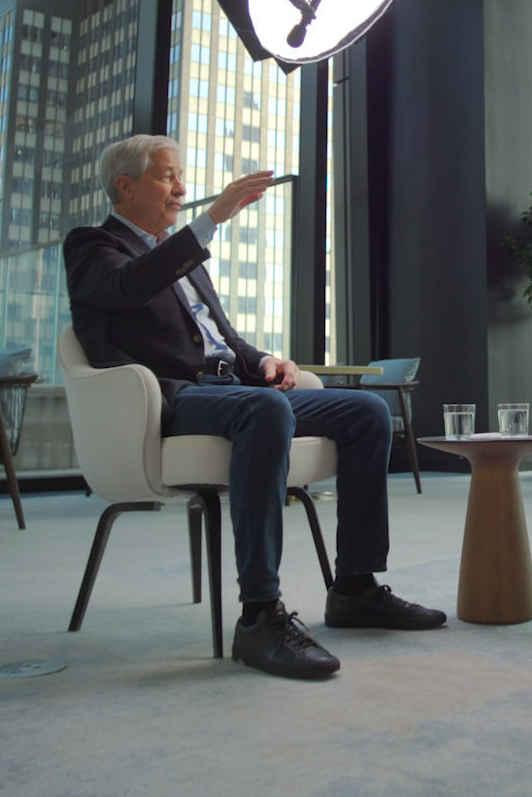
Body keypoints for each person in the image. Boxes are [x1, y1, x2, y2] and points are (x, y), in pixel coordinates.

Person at [63, 134, 444, 680]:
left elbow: (221, 339)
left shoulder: (184, 260)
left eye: (179, 178)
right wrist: (212, 218)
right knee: (264, 412)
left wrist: (267, 361)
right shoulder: (92, 246)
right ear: (125, 185)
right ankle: (259, 615)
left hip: (228, 390)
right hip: (169, 403)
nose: (182, 188)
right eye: (168, 177)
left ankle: (355, 588)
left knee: (365, 412)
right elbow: (129, 289)